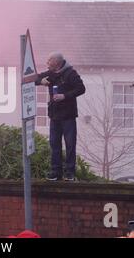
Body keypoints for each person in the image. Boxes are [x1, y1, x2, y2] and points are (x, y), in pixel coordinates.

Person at [34, 52, 86, 181]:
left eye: (49, 61)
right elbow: (33, 78)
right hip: (54, 115)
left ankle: (70, 172)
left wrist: (64, 96)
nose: (47, 64)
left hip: (68, 116)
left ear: (57, 62)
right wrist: (41, 81)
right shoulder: (50, 73)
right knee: (54, 144)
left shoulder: (71, 73)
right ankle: (56, 172)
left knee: (70, 144)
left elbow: (81, 88)